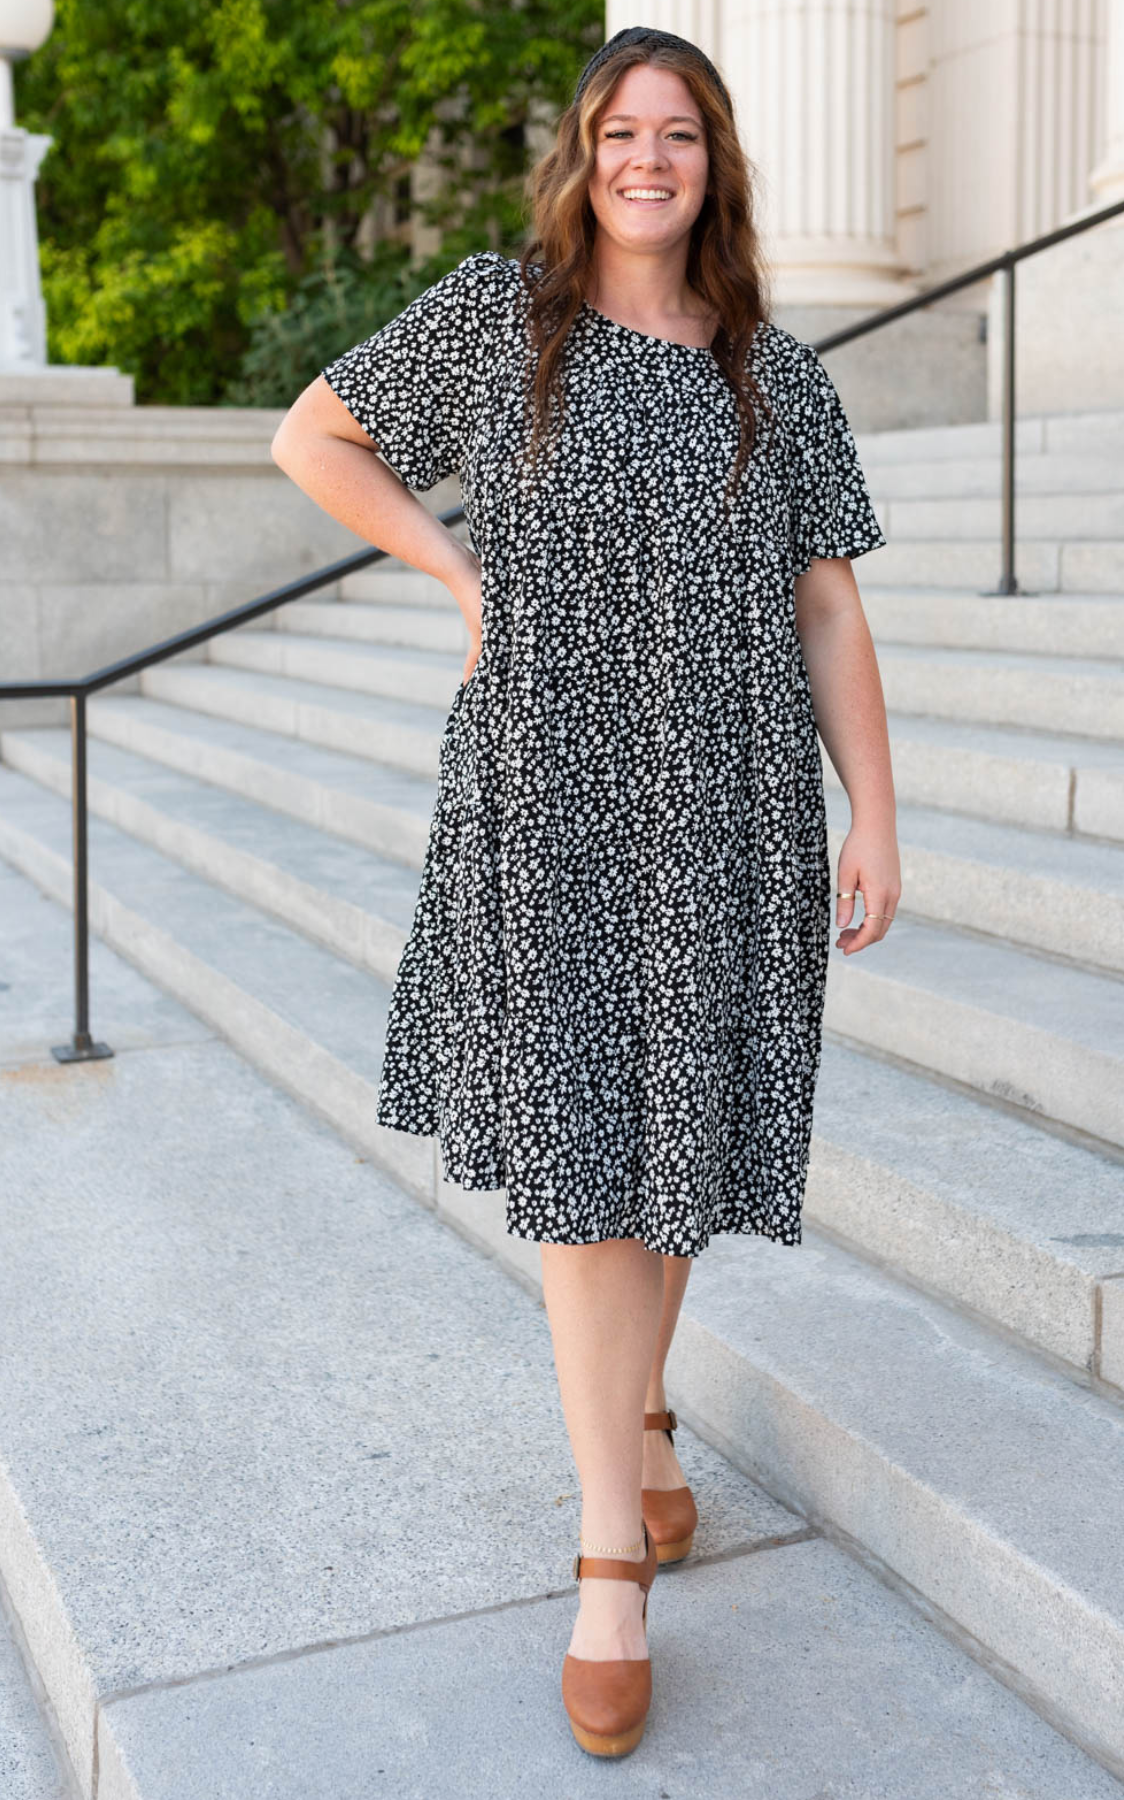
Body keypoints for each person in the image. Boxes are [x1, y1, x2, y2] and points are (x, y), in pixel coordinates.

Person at [272, 23, 899, 1760]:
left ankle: (637, 1431)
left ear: (716, 162)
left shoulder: (776, 372)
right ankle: (606, 1552)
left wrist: (878, 815)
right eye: (621, 130)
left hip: (729, 804)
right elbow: (311, 439)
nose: (648, 158)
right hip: (547, 796)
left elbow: (829, 605)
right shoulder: (503, 317)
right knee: (578, 1160)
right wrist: (457, 570)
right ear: (583, 153)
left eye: (678, 133)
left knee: (677, 1141)